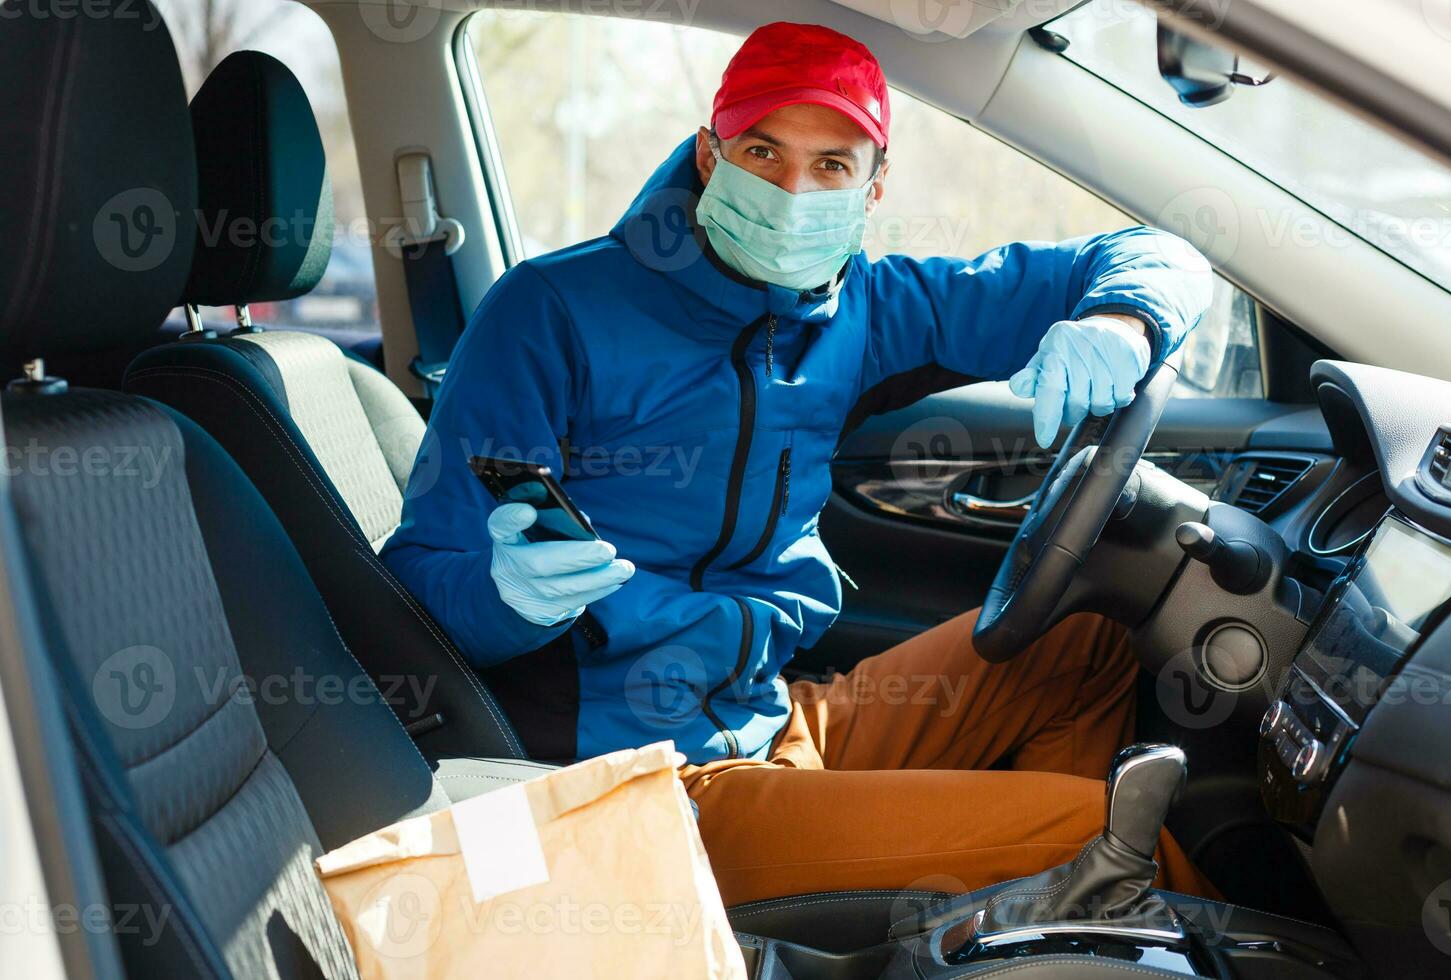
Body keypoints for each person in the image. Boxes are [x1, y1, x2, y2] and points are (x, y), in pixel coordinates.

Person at [382, 21, 1216, 905]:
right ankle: (1068, 894)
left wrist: (1121, 323)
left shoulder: (870, 311)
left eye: (830, 165)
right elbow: (421, 583)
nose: (790, 189)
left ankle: (1016, 934)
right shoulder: (550, 311)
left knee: (1083, 645)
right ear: (710, 157)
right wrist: (509, 598)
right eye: (762, 151)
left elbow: (1160, 254)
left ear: (875, 184)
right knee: (1104, 835)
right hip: (640, 782)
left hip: (772, 717)